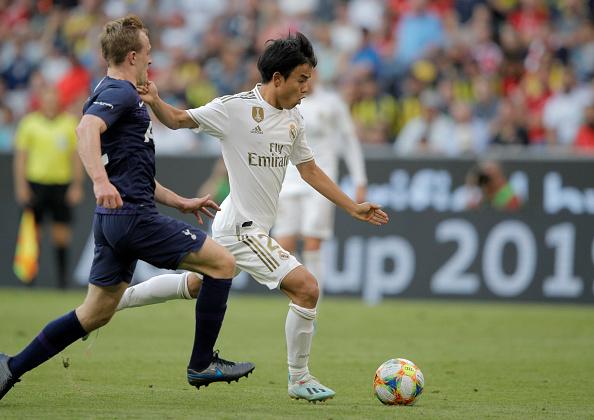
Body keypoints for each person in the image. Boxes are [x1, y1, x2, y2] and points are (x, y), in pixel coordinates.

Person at [111, 32, 388, 402]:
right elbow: (177, 120)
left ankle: (113, 302)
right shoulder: (234, 109)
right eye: (302, 79)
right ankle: (300, 378)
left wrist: (352, 206)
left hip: (241, 224)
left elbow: (309, 170)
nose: (307, 88)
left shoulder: (293, 119)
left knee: (197, 285)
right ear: (278, 78)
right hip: (242, 228)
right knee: (307, 288)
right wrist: (156, 100)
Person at [0, 15, 254, 402]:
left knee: (95, 314)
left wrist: (180, 200)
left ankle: (10, 367)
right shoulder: (120, 92)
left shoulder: (116, 92)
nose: (151, 59)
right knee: (223, 264)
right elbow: (85, 130)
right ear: (133, 56)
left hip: (114, 220)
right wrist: (99, 182)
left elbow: (134, 173)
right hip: (133, 218)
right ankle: (202, 363)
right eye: (148, 52)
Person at [274, 69, 367, 304]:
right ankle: (299, 295)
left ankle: (312, 304)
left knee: (312, 242)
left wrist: (360, 180)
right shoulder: (286, 101)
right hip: (288, 180)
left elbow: (349, 141)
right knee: (283, 245)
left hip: (320, 181)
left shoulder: (332, 103)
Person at [13, 85, 84, 288]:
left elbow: (76, 158)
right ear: (41, 102)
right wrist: (21, 186)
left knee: (61, 235)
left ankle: (62, 283)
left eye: (54, 99)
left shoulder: (69, 124)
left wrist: (76, 185)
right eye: (47, 100)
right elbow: (21, 158)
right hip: (36, 185)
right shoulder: (29, 123)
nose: (51, 103)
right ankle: (28, 282)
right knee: (32, 236)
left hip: (61, 185)